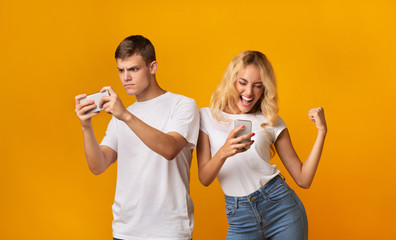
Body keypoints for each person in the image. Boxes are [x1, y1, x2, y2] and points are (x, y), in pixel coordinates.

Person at [74, 35, 199, 240]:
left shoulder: (182, 105)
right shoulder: (120, 116)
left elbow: (170, 149)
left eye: (133, 69)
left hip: (169, 231)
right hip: (125, 231)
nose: (125, 78)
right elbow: (98, 166)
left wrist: (125, 116)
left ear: (152, 67)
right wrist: (86, 127)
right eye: (121, 70)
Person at [197, 51, 327, 240]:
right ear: (231, 81)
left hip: (282, 209)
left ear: (264, 89)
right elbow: (204, 178)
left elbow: (303, 179)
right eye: (243, 83)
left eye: (258, 86)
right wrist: (224, 152)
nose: (249, 92)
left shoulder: (271, 121)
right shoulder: (207, 117)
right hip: (239, 217)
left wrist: (322, 132)